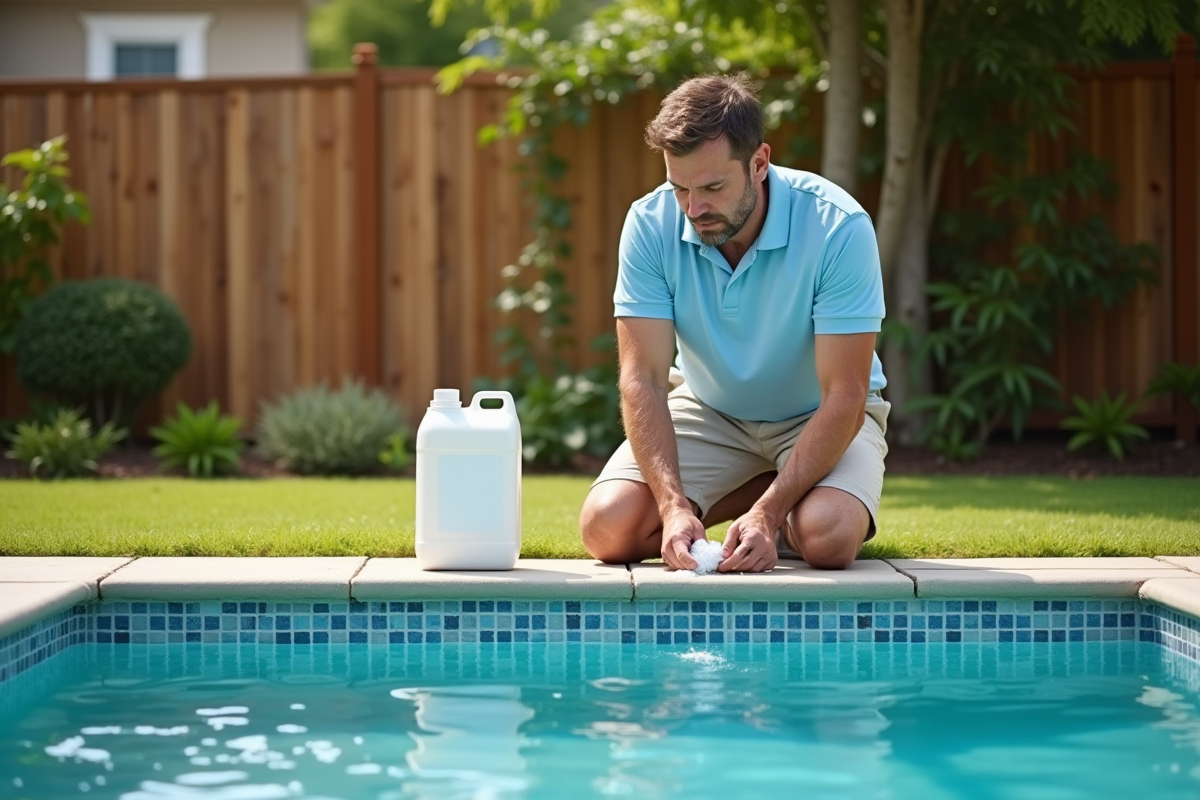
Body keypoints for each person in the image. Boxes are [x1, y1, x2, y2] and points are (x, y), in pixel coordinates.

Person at [578, 74, 890, 573]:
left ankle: (783, 507)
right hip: (710, 410)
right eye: (680, 188)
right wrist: (672, 507)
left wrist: (770, 512)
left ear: (759, 163)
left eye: (713, 187)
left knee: (827, 537)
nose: (694, 208)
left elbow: (845, 394)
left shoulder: (838, 226)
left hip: (818, 413)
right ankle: (766, 495)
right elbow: (644, 379)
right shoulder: (649, 224)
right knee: (607, 528)